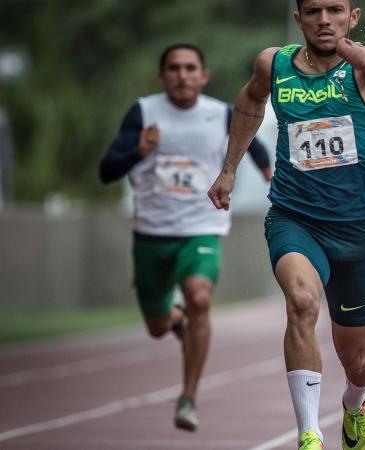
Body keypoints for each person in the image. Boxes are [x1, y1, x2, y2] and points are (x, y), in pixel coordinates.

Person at [207, 0, 365, 448]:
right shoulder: (275, 64)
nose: (323, 20)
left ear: (354, 17)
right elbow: (250, 100)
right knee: (302, 303)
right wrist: (230, 168)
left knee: (357, 358)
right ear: (298, 20)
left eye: (334, 10)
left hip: (356, 231)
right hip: (295, 217)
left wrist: (350, 51)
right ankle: (309, 434)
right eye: (312, 12)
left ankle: (355, 404)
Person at [99, 43, 272, 431]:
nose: (182, 75)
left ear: (203, 76)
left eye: (190, 68)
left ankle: (189, 396)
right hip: (152, 235)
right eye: (174, 68)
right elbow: (107, 170)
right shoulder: (143, 113)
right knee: (157, 327)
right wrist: (137, 150)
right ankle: (174, 321)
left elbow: (254, 144)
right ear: (162, 77)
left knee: (199, 297)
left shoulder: (221, 113)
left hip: (201, 229)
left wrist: (268, 173)